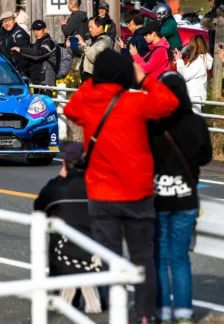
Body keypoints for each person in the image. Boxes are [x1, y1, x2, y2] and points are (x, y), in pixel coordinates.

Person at [63, 49, 180, 324]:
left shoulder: (89, 103)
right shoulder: (136, 102)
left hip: (102, 195)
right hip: (138, 193)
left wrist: (93, 81)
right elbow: (170, 102)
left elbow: (70, 109)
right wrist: (144, 79)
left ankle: (117, 313)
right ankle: (144, 315)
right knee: (143, 257)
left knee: (109, 257)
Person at [148, 72, 212, 324]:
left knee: (160, 256)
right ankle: (184, 313)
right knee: (180, 256)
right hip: (186, 198)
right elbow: (206, 157)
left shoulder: (153, 122)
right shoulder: (196, 122)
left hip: (158, 199)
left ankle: (162, 311)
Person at [34, 143, 102, 313]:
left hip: (64, 254)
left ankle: (60, 289)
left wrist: (60, 177)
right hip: (96, 254)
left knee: (54, 226)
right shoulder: (100, 186)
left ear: (65, 163)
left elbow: (38, 211)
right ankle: (99, 292)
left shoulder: (56, 188)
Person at [13, 20, 57, 89]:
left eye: (38, 30)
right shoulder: (35, 44)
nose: (36, 32)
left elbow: (39, 54)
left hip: (45, 81)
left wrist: (21, 50)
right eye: (34, 30)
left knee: (44, 96)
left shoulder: (49, 42)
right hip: (36, 79)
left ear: (45, 30)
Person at [175, 34, 212, 109]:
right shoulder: (199, 60)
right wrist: (180, 59)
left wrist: (179, 61)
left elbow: (184, 76)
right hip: (194, 96)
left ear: (194, 47)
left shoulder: (198, 61)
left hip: (194, 97)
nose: (189, 47)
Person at [72, 16, 113, 81]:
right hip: (86, 77)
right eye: (89, 27)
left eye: (91, 27)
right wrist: (72, 45)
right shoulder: (92, 40)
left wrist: (85, 45)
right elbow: (80, 53)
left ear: (100, 28)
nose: (89, 29)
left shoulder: (105, 42)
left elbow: (96, 58)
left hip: (95, 78)